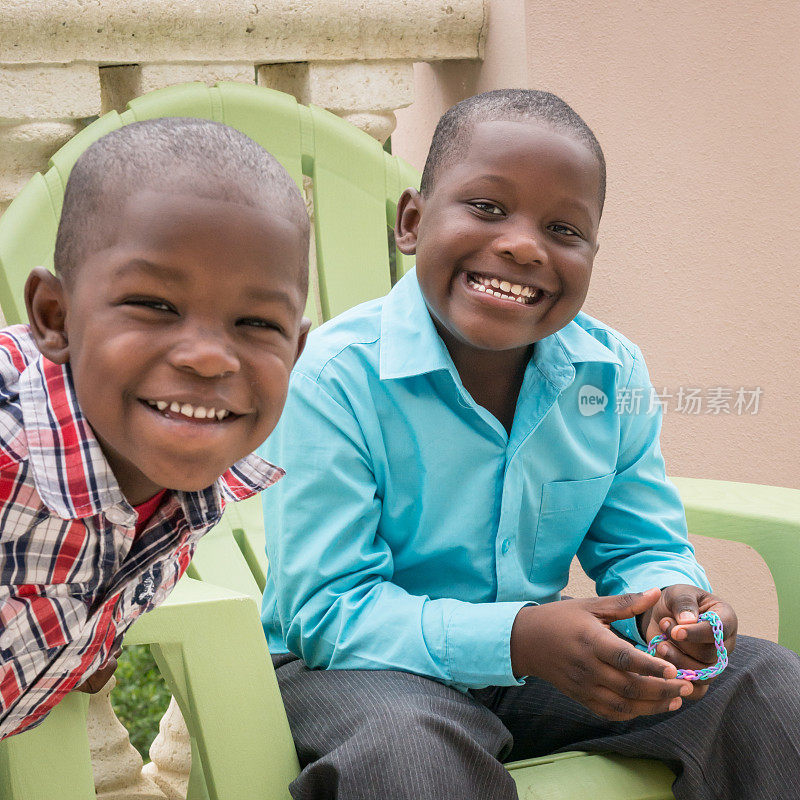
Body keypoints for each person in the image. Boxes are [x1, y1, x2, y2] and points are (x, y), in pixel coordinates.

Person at [259, 90, 800, 799]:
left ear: (592, 255)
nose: (522, 244)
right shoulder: (335, 375)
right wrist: (517, 638)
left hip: (529, 672)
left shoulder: (609, 374)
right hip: (354, 672)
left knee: (764, 685)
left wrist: (676, 608)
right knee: (414, 754)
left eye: (563, 229)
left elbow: (638, 544)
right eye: (486, 208)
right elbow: (327, 611)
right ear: (412, 221)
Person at [0, 117, 311, 740]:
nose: (209, 357)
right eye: (154, 306)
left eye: (256, 323)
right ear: (54, 317)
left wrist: (76, 651)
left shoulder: (195, 482)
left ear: (296, 351)